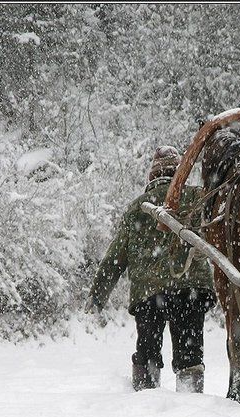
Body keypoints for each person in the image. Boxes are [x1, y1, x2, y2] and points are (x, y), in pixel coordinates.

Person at [86, 145, 216, 393]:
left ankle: (146, 397)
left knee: (148, 351)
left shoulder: (137, 208)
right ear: (180, 172)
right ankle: (192, 406)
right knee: (190, 355)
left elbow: (116, 257)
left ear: (152, 175)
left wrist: (98, 292)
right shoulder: (197, 198)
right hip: (191, 288)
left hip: (150, 293)